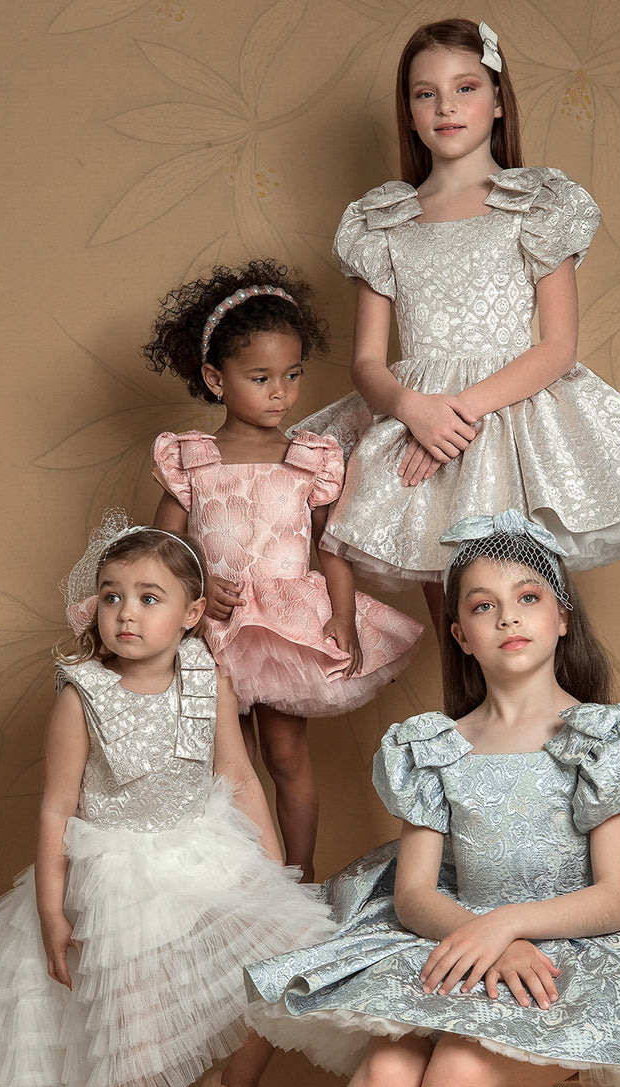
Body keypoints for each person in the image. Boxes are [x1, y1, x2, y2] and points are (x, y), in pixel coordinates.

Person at [245, 511, 620, 1087]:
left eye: (528, 598)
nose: (509, 618)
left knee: (459, 1067)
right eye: (484, 606)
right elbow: (416, 892)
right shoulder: (434, 747)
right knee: (388, 1071)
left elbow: (615, 896)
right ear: (462, 636)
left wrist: (505, 926)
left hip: (566, 961)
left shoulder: (604, 739)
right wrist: (479, 936)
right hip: (455, 944)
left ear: (562, 617)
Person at [0, 516, 334, 1087]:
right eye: (112, 594)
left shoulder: (209, 680)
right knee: (135, 1047)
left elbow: (239, 777)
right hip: (116, 876)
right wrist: (51, 913)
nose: (126, 612)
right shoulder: (81, 696)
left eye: (150, 596)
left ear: (192, 612)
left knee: (298, 953)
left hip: (203, 849)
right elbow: (55, 808)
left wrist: (277, 873)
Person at [293, 17, 620, 627]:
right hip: (419, 424)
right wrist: (414, 410)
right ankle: (464, 721)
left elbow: (559, 346)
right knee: (460, 628)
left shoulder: (537, 206)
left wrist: (460, 411)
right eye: (424, 93)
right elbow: (366, 363)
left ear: (497, 102)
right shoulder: (383, 223)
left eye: (465, 87)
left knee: (527, 620)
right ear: (408, 112)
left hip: (511, 425)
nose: (445, 106)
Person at [145, 259, 423, 882]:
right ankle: (243, 880)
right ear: (216, 379)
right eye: (261, 377)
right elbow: (161, 549)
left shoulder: (310, 460)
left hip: (283, 631)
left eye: (293, 375)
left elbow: (333, 548)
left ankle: (300, 879)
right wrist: (194, 585)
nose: (281, 393)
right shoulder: (192, 458)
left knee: (286, 755)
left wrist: (344, 619)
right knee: (225, 762)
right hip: (209, 630)